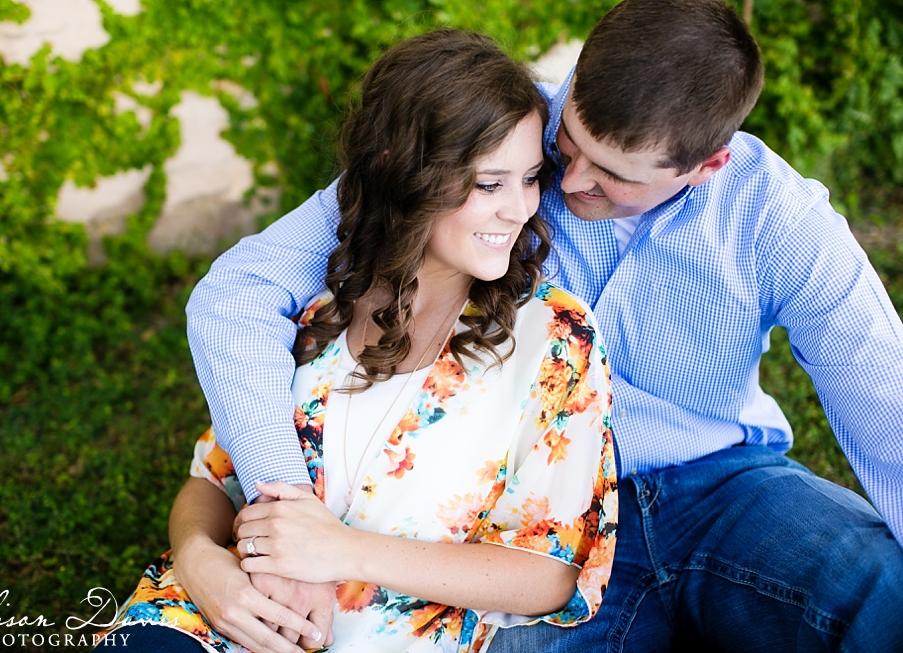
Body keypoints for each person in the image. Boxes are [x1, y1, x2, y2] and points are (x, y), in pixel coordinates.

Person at [178, 0, 903, 651]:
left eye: (613, 173)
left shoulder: (780, 222)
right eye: (572, 141)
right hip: (525, 506)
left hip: (721, 482)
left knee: (878, 588)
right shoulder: (500, 152)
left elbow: (887, 408)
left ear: (707, 164)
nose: (569, 182)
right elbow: (239, 290)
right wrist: (286, 507)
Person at [101, 29, 617, 653]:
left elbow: (548, 576)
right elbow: (212, 482)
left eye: (530, 177)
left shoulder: (554, 340)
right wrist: (199, 564)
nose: (519, 208)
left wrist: (341, 552)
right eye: (488, 184)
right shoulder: (312, 304)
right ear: (402, 174)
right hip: (218, 617)